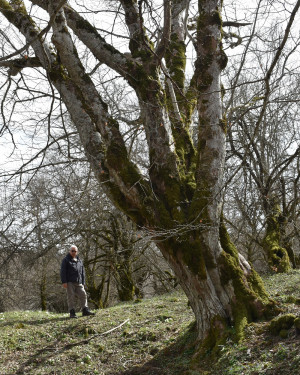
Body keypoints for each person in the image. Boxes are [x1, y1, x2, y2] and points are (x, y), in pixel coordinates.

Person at [60, 245, 95, 318]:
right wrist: (64, 282)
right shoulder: (66, 260)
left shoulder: (79, 261)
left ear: (77, 252)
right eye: (72, 251)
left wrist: (83, 282)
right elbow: (63, 271)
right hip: (69, 282)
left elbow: (82, 272)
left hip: (79, 282)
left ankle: (85, 310)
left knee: (83, 294)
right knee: (71, 297)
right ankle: (72, 312)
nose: (73, 252)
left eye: (75, 251)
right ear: (69, 251)